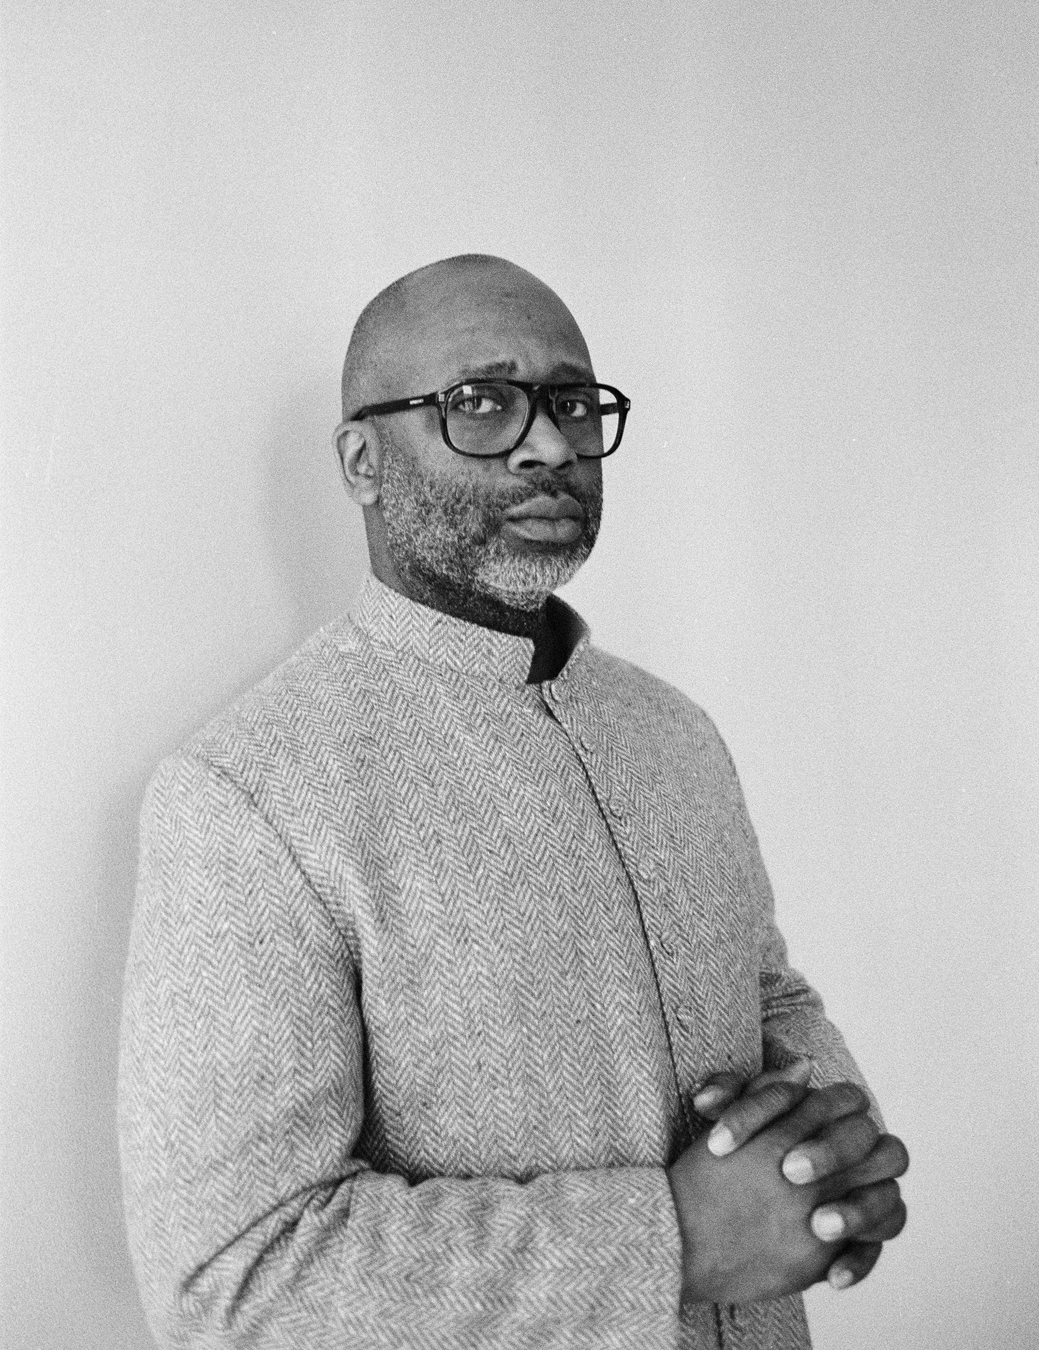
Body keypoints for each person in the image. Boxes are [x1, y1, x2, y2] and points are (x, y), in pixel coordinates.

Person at [118, 254, 908, 1350]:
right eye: (480, 403)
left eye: (572, 403)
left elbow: (764, 997)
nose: (548, 445)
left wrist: (832, 1154)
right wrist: (673, 1239)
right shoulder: (247, 796)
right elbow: (236, 1283)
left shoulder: (673, 732)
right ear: (362, 461)